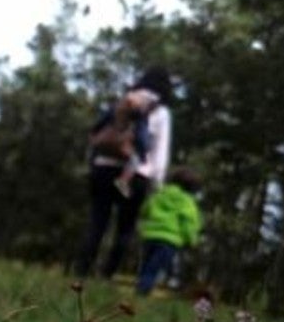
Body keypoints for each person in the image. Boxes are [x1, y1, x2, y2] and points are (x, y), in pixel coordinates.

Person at [74, 66, 174, 280]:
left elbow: (98, 131)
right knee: (124, 228)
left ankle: (81, 272)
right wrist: (157, 183)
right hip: (135, 174)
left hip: (103, 167)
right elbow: (160, 152)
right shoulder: (161, 111)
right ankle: (106, 275)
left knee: (97, 221)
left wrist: (92, 162)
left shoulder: (125, 100)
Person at [135, 168, 202, 296]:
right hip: (170, 239)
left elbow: (145, 210)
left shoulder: (159, 194)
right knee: (155, 267)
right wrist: (191, 240)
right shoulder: (187, 202)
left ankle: (141, 286)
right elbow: (188, 223)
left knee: (146, 264)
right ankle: (143, 291)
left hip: (150, 236)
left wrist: (144, 226)